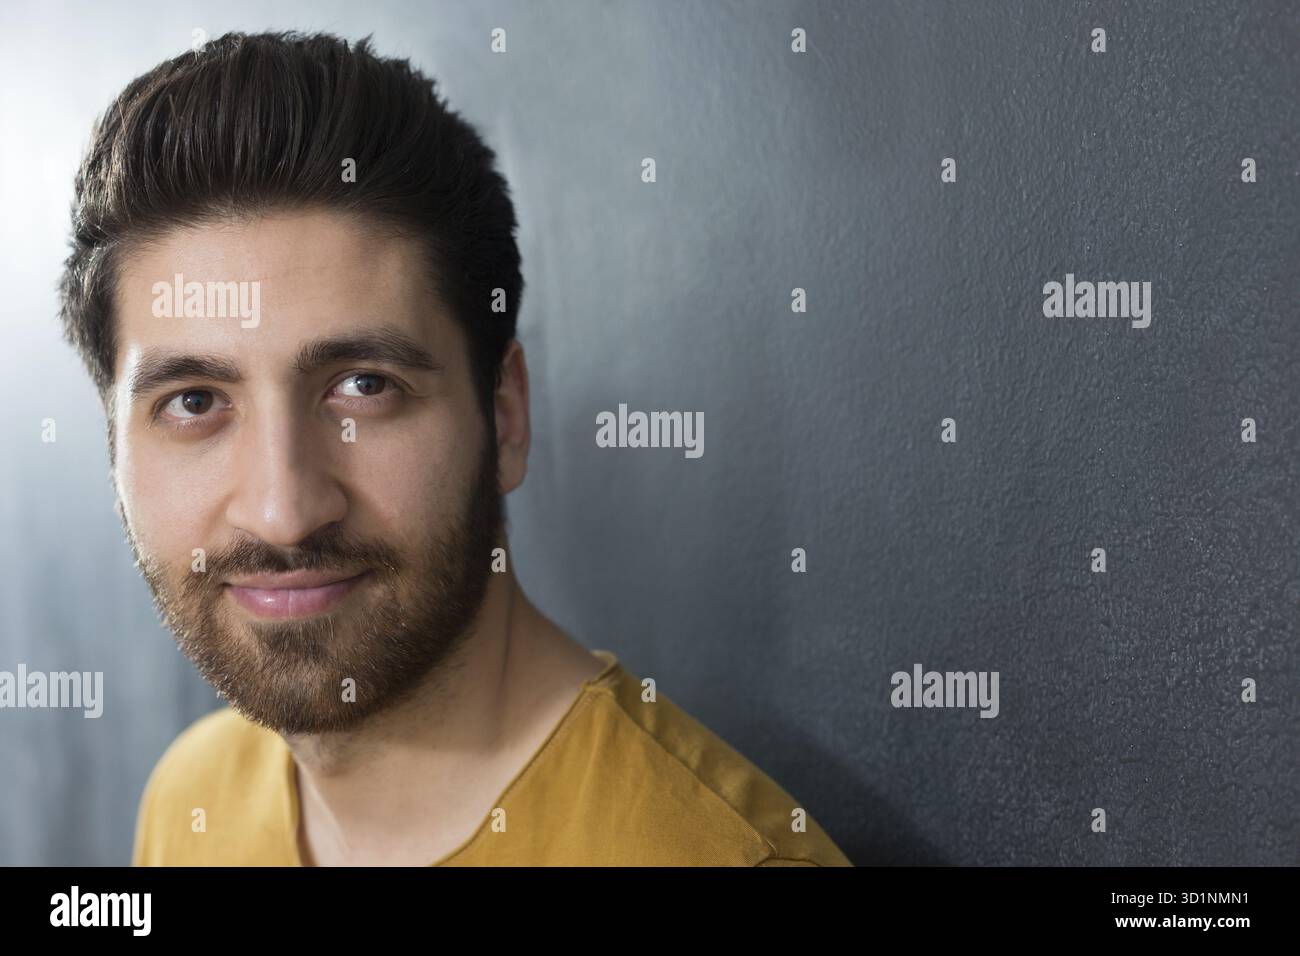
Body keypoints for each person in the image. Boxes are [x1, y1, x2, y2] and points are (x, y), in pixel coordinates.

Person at [58, 30, 851, 867]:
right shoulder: (191, 800)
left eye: (364, 385)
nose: (283, 511)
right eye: (194, 402)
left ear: (503, 415)